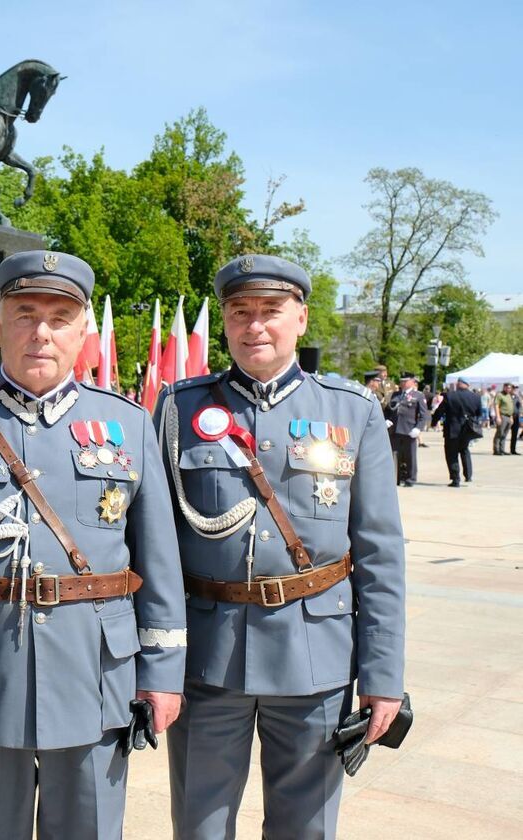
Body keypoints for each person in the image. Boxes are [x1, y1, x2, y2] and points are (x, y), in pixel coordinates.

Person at [0, 251, 187, 840]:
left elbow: (159, 560)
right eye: (25, 314)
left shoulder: (127, 424)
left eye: (59, 317)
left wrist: (163, 672)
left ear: (83, 333)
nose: (41, 332)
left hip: (96, 667)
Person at [157, 255, 405, 840]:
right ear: (225, 323)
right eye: (241, 312)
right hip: (208, 655)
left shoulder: (353, 411)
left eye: (271, 310)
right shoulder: (180, 408)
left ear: (301, 317)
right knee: (199, 823)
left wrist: (383, 672)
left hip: (315, 651)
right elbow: (156, 548)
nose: (255, 326)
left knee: (307, 826)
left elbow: (379, 553)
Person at [432, 377, 481, 486]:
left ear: (459, 383)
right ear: (468, 385)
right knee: (464, 450)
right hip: (467, 428)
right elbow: (479, 413)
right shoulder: (476, 397)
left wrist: (434, 421)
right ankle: (468, 475)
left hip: (452, 428)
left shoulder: (450, 395)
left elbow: (440, 410)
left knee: (451, 453)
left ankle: (455, 478)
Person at [385, 372, 430, 486]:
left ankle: (411, 479)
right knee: (394, 456)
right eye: (401, 381)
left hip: (409, 431)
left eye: (405, 381)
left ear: (412, 382)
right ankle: (396, 478)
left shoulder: (418, 395)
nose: (403, 383)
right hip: (395, 430)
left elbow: (424, 415)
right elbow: (388, 410)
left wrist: (418, 428)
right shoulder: (395, 394)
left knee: (410, 457)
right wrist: (386, 419)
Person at [491, 382, 516, 455]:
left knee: (504, 434)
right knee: (499, 433)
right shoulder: (499, 395)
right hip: (502, 416)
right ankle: (496, 450)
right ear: (504, 387)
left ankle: (502, 449)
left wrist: (511, 417)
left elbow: (510, 407)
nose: (509, 389)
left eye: (510, 388)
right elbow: (496, 405)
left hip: (508, 416)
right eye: (507, 388)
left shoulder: (509, 395)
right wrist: (498, 417)